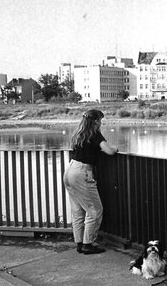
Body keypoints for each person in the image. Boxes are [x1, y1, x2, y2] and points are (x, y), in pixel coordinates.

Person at [63, 109, 119, 255]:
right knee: (95, 210)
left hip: (70, 170)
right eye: (100, 120)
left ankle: (80, 243)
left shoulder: (79, 133)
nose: (101, 123)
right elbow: (109, 151)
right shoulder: (95, 134)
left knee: (78, 211)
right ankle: (88, 244)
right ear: (95, 121)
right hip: (82, 172)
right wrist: (115, 148)